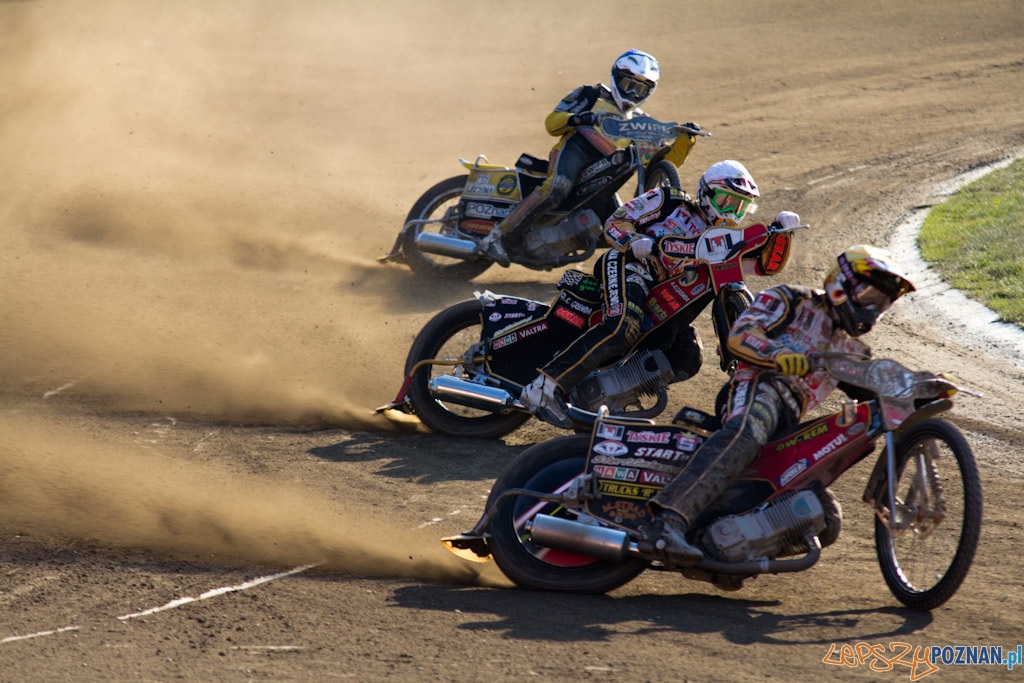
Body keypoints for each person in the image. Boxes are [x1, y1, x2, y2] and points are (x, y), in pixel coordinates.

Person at [646, 244, 916, 567]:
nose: (872, 309)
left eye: (880, 303)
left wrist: (920, 389)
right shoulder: (792, 299)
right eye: (868, 296)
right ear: (841, 282)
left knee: (827, 518)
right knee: (749, 431)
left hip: (790, 423)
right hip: (757, 388)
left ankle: (721, 550)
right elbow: (740, 334)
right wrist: (778, 355)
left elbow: (881, 390)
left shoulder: (852, 351)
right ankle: (668, 521)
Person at [519, 159, 802, 428]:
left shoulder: (725, 242)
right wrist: (636, 241)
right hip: (629, 264)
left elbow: (764, 266)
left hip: (661, 298)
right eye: (725, 200)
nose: (731, 211)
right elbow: (615, 223)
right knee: (622, 327)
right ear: (705, 192)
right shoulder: (669, 200)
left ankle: (601, 396)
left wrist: (782, 234)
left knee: (687, 354)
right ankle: (544, 388)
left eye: (741, 207)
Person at [477, 49, 666, 266]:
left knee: (616, 226)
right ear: (616, 77)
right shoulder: (591, 94)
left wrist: (684, 141)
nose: (632, 93)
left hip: (606, 171)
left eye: (640, 88)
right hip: (577, 148)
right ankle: (497, 237)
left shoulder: (641, 121)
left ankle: (555, 247)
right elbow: (552, 122)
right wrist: (577, 118)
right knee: (558, 187)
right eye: (628, 84)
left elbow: (659, 163)